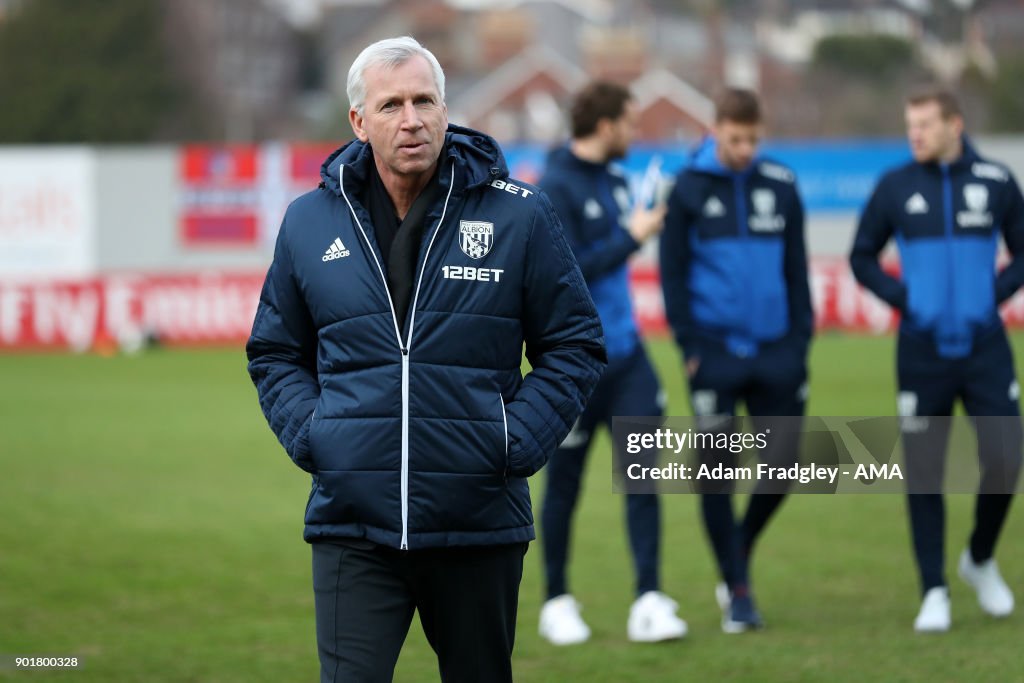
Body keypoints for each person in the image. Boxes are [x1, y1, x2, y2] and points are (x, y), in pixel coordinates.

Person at [246, 36, 606, 682]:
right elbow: (274, 350)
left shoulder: (518, 216)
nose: (411, 120)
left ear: (446, 109)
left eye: (424, 101)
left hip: (477, 525)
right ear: (359, 122)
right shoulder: (307, 223)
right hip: (352, 523)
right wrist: (316, 436)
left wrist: (511, 440)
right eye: (390, 106)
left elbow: (574, 342)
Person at [850, 87, 1024, 633]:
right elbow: (862, 256)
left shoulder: (996, 181)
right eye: (910, 125)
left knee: (1006, 458)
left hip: (985, 345)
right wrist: (908, 300)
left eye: (925, 124)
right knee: (924, 469)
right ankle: (934, 591)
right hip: (922, 349)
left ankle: (978, 558)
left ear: (955, 123)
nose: (915, 134)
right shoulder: (894, 186)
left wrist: (988, 296)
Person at [535, 81, 688, 645]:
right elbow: (569, 269)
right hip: (574, 367)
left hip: (629, 359)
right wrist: (631, 236)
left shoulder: (616, 179)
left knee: (643, 480)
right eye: (628, 121)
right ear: (604, 126)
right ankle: (557, 601)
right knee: (565, 487)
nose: (634, 132)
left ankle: (648, 598)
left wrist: (640, 225)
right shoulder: (555, 186)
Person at [659, 88, 813, 633]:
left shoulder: (782, 185)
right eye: (735, 138)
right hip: (716, 356)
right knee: (718, 476)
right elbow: (671, 274)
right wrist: (692, 348)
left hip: (777, 353)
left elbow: (797, 270)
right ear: (717, 128)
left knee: (787, 466)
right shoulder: (687, 189)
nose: (745, 148)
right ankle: (739, 591)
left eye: (753, 138)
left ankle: (737, 551)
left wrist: (799, 344)